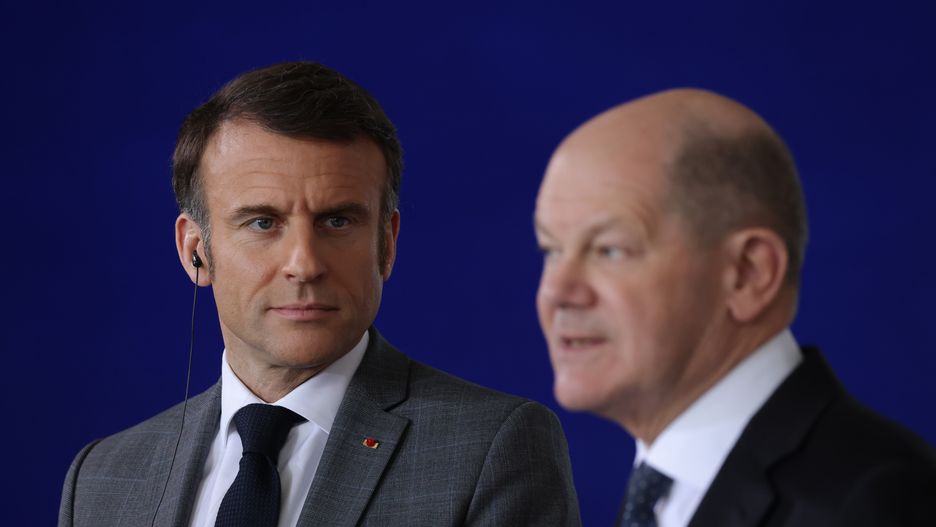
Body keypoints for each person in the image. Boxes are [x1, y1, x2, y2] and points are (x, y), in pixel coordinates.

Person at [60, 61, 581, 527]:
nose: (305, 264)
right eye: (263, 222)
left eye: (337, 221)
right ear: (195, 251)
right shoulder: (101, 479)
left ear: (387, 244)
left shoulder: (491, 450)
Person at [534, 88, 936, 526]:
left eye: (610, 250)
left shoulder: (878, 504)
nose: (556, 292)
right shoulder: (659, 490)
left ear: (748, 274)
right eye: (551, 250)